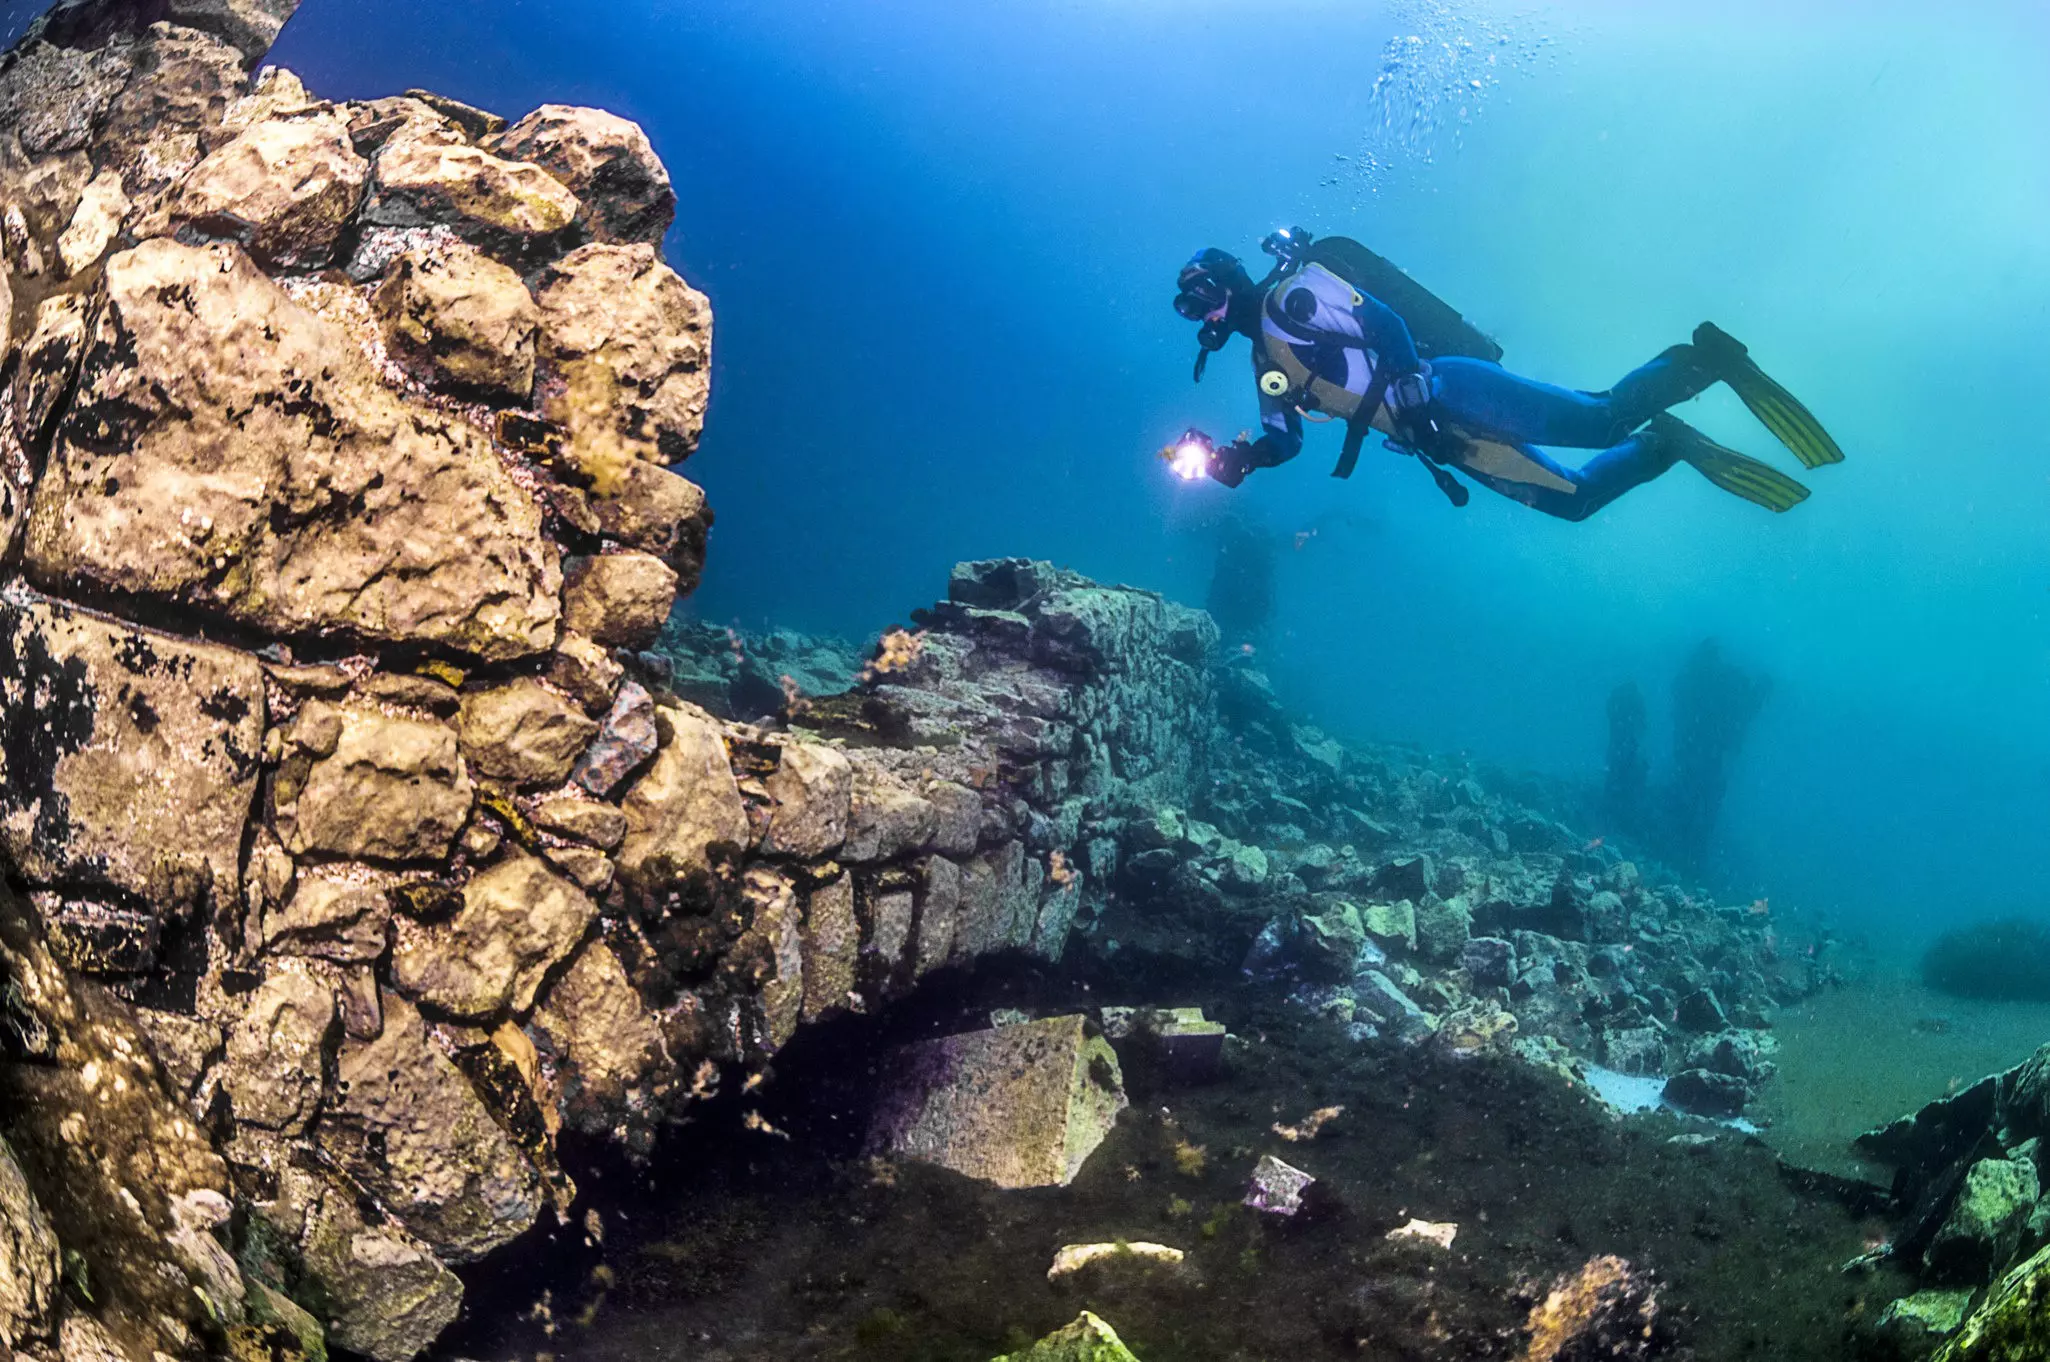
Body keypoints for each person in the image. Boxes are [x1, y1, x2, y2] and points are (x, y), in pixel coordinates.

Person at [1167, 230, 1843, 518]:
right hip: (1440, 437)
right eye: (1190, 308)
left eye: (1200, 298)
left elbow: (1385, 324)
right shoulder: (1266, 366)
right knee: (1572, 502)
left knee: (1598, 418)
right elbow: (1285, 439)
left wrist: (1408, 386)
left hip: (1449, 388)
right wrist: (1242, 459)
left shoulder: (1295, 296)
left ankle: (1704, 358)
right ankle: (1665, 444)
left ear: (1227, 283)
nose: (1200, 317)